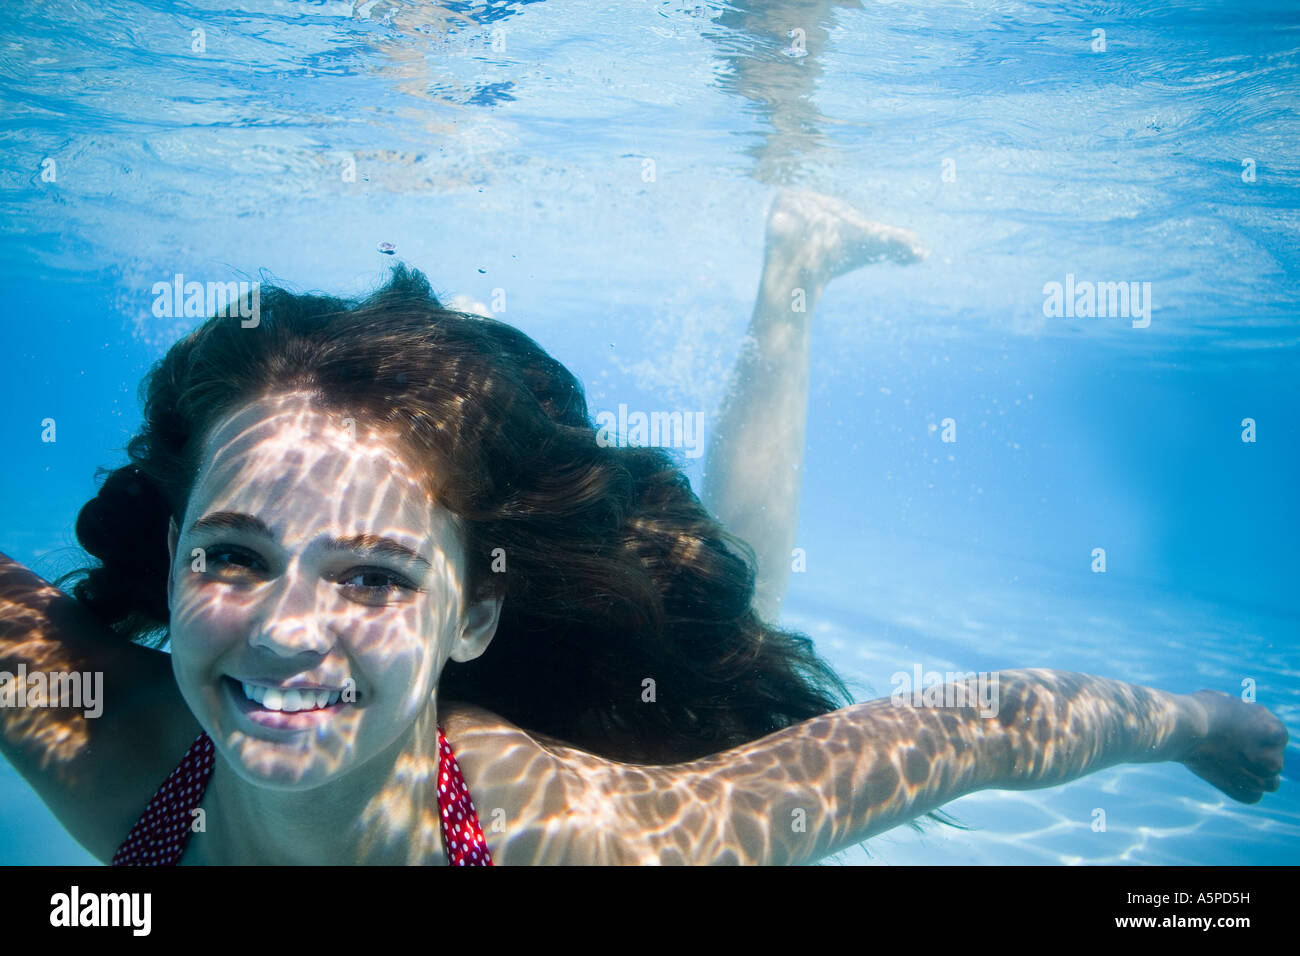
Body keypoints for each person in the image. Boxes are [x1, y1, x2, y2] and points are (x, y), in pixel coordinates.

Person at [0, 192, 1286, 865]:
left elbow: (974, 731)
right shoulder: (95, 738)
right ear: (171, 556)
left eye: (376, 573)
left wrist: (1193, 721)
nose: (286, 631)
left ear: (474, 607)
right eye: (233, 553)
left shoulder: (596, 840)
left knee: (741, 611)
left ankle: (789, 286)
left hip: (623, 722)